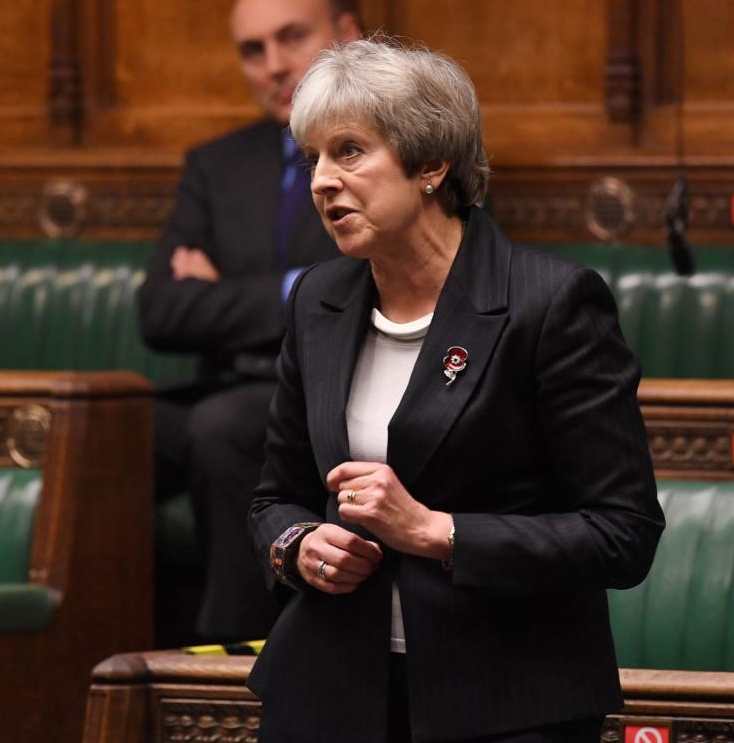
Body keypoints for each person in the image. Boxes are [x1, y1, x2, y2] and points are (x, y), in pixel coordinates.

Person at [247, 38, 666, 743]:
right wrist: (299, 545)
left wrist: (435, 532)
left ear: (431, 164)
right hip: (332, 692)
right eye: (311, 158)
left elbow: (622, 535)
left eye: (348, 151)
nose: (322, 180)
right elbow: (273, 496)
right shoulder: (320, 300)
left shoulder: (550, 304)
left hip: (506, 698)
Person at [137, 0, 359, 644]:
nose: (274, 65)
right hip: (223, 384)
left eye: (293, 37)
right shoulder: (217, 164)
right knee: (105, 431)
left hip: (334, 398)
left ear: (346, 36)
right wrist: (298, 287)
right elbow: (163, 312)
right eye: (252, 50)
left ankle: (229, 664)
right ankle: (92, 656)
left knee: (226, 428)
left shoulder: (399, 149)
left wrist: (233, 290)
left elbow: (367, 289)